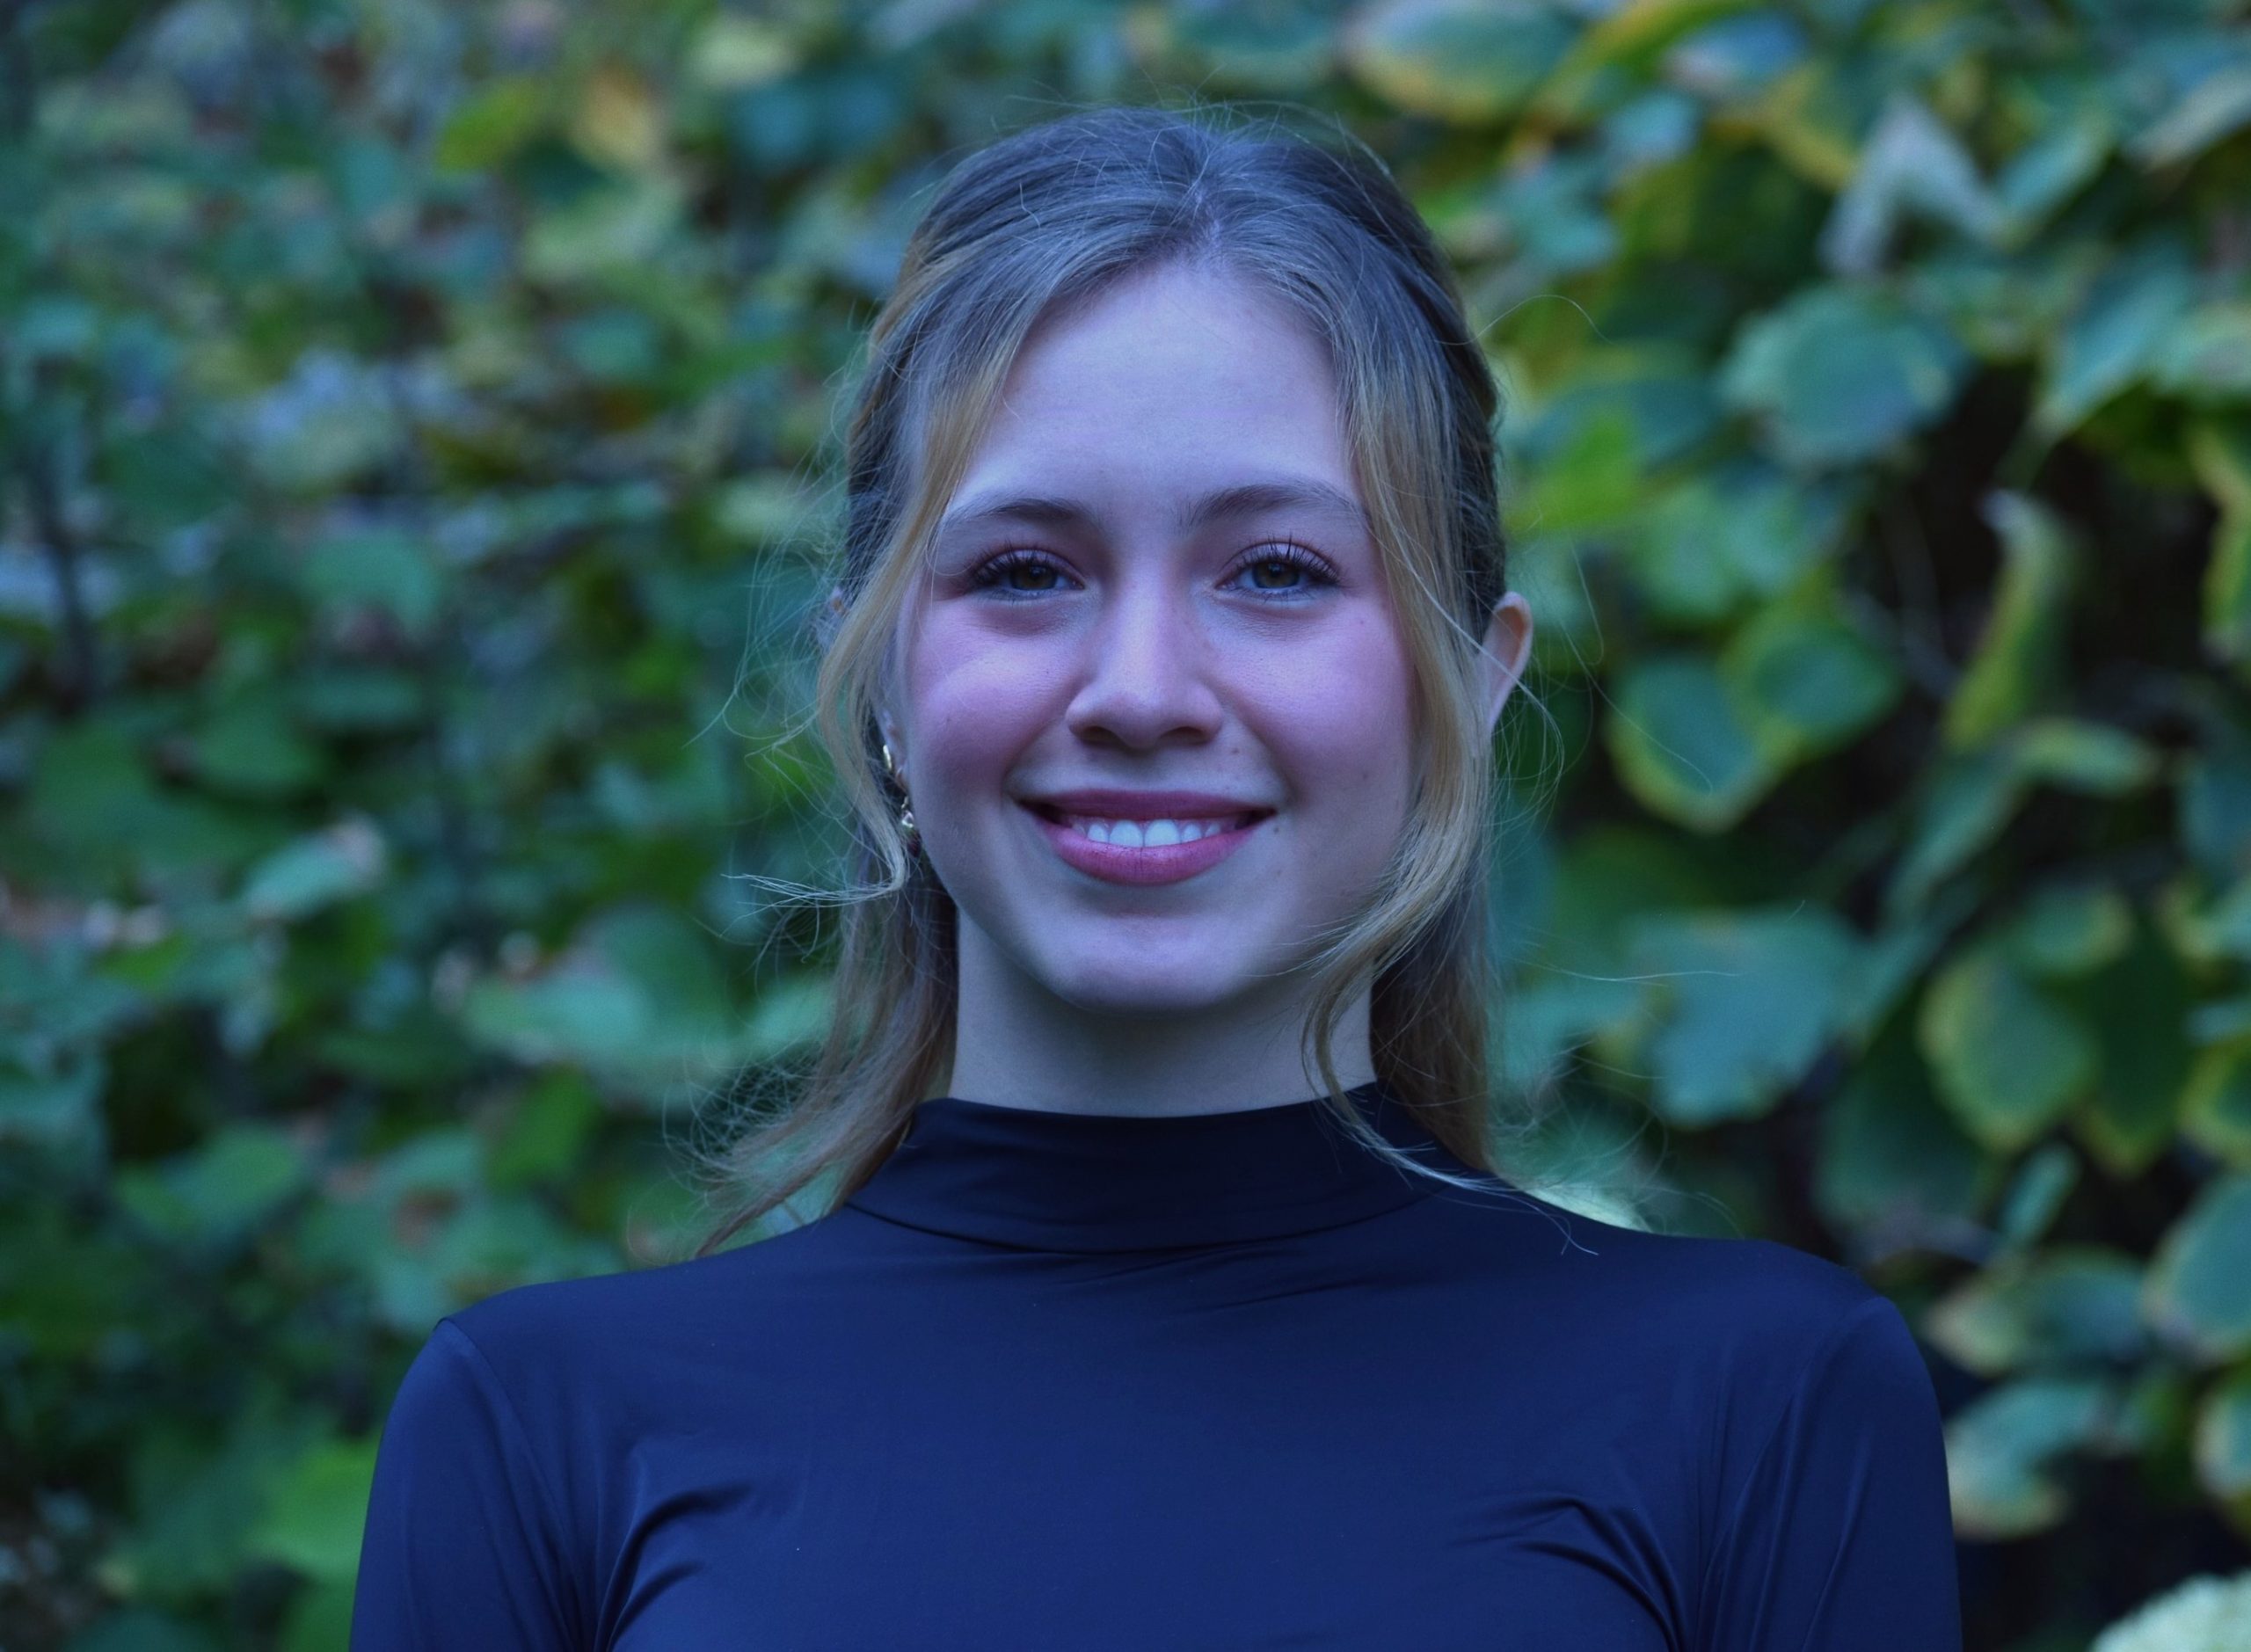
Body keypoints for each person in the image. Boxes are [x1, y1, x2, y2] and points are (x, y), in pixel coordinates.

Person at [349, 103, 1963, 1649]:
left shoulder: (1761, 1406)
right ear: (879, 674)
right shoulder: (542, 1432)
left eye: (1276, 572)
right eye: (1025, 571)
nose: (1140, 691)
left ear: (1468, 682)